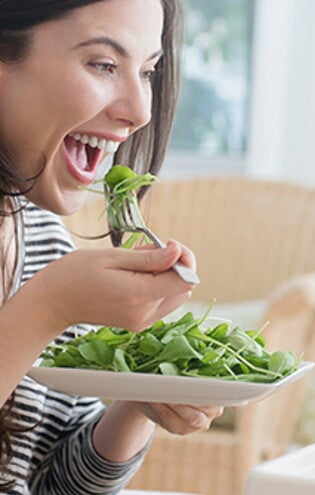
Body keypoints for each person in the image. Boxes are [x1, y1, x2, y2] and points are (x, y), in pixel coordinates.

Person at [0, 1, 224, 493]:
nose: (141, 111)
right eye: (103, 64)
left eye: (147, 71)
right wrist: (45, 308)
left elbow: (44, 485)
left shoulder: (42, 243)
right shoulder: (56, 285)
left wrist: (140, 394)